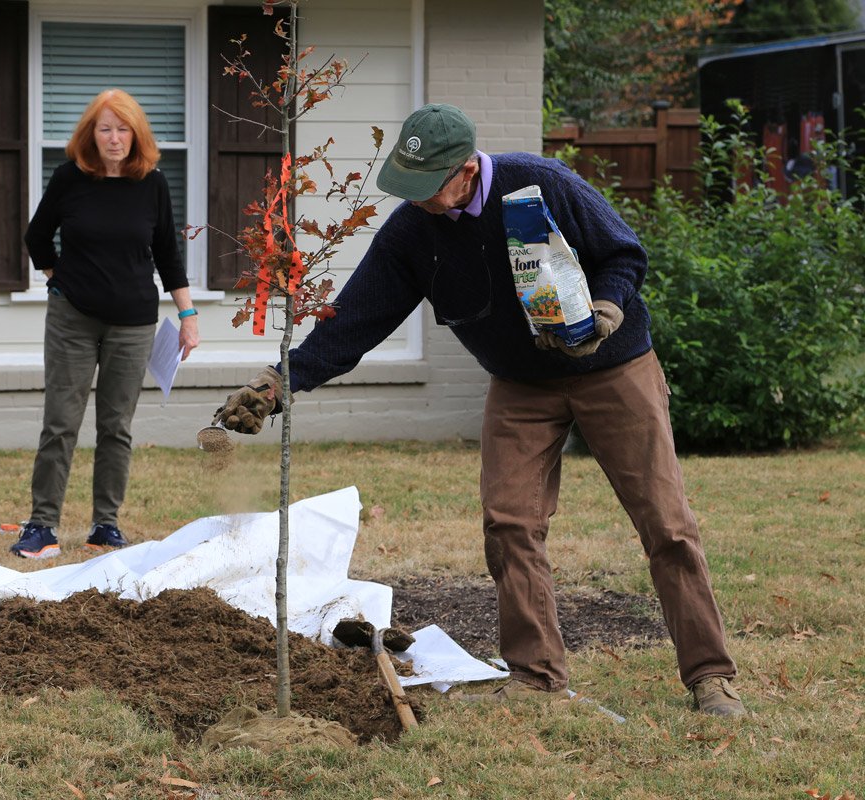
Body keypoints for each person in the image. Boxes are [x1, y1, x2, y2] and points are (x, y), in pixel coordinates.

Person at [214, 103, 745, 717]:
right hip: (521, 383)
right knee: (509, 522)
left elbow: (623, 254)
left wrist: (606, 311)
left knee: (665, 523)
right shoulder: (413, 230)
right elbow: (353, 324)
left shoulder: (542, 183)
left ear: (467, 171)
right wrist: (278, 384)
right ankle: (535, 674)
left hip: (611, 369)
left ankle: (710, 675)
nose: (416, 201)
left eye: (428, 187)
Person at [11, 89, 200, 559]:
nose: (114, 138)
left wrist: (188, 314)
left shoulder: (152, 184)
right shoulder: (69, 178)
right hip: (72, 320)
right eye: (105, 128)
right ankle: (42, 526)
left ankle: (105, 526)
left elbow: (167, 255)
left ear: (136, 135)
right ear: (90, 134)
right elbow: (37, 235)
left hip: (134, 324)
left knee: (116, 426)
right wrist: (59, 279)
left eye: (123, 129)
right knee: (61, 423)